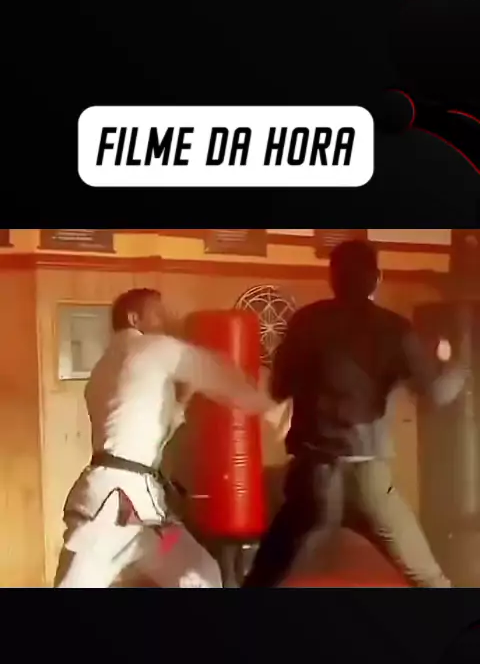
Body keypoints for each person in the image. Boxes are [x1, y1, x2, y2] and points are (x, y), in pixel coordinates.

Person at [242, 240, 468, 588]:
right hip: (368, 476)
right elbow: (437, 394)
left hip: (313, 476)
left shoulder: (306, 322)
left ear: (332, 278)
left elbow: (279, 388)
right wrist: (454, 363)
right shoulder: (394, 329)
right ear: (377, 278)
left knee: (263, 578)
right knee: (429, 578)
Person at [54, 288, 278, 588]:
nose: (167, 321)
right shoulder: (152, 348)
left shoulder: (106, 365)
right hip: (114, 506)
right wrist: (276, 400)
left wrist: (182, 399)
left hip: (146, 515)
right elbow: (221, 377)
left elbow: (142, 420)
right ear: (134, 318)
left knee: (199, 571)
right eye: (158, 314)